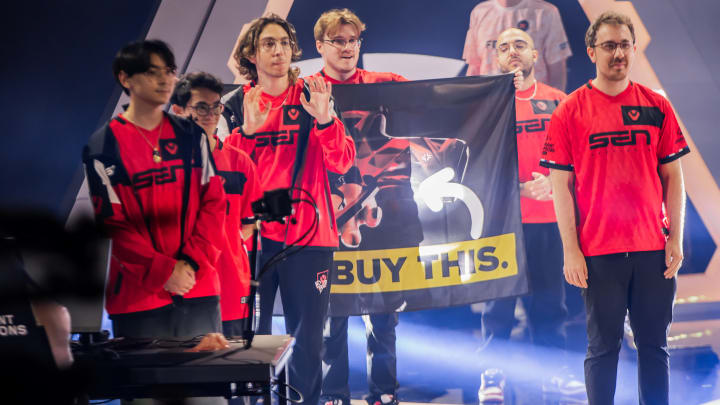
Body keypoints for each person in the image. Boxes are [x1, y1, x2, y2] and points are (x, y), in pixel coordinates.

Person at [540, 11, 689, 405]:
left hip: (652, 250)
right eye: (609, 45)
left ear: (634, 49)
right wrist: (571, 250)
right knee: (603, 349)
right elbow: (561, 187)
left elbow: (674, 178)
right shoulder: (569, 111)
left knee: (655, 347)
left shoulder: (657, 106)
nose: (618, 53)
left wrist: (675, 237)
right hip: (598, 252)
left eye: (624, 44)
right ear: (591, 52)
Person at [222, 14, 355, 405]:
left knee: (309, 342)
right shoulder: (237, 103)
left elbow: (343, 162)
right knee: (254, 343)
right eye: (267, 44)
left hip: (310, 238)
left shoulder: (313, 93)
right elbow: (228, 178)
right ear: (251, 52)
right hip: (255, 241)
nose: (278, 51)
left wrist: (325, 118)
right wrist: (246, 134)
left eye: (283, 43)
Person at [83, 39, 226, 342]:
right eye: (152, 72)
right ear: (125, 78)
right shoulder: (103, 146)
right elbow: (113, 224)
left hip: (197, 289)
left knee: (206, 389)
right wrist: (164, 272)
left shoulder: (191, 136)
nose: (164, 80)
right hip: (138, 300)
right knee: (148, 391)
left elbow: (214, 203)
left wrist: (190, 265)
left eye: (169, 71)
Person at [476, 27, 585, 403]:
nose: (512, 52)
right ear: (496, 57)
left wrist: (555, 185)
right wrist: (516, 189)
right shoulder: (486, 104)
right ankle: (493, 376)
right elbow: (473, 165)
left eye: (520, 45)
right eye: (503, 47)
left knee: (549, 307)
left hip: (548, 221)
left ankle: (552, 374)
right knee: (498, 308)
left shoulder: (560, 102)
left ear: (536, 55)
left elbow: (582, 159)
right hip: (501, 222)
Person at [308, 9, 408, 405]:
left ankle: (384, 394)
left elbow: (439, 100)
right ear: (320, 46)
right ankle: (334, 395)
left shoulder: (388, 84)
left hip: (381, 214)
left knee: (383, 315)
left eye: (353, 40)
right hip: (328, 216)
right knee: (332, 315)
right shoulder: (308, 90)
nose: (347, 48)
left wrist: (503, 86)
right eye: (338, 40)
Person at [171, 71, 261, 339]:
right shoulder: (164, 164)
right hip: (180, 290)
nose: (210, 114)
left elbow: (251, 221)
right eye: (200, 107)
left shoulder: (240, 161)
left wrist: (229, 241)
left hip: (231, 288)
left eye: (216, 107)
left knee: (230, 374)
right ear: (179, 110)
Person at [462, 0, 571, 91]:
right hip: (491, 103)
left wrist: (552, 108)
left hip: (534, 104)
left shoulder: (546, 12)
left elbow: (557, 73)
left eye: (520, 46)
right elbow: (474, 67)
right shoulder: (479, 12)